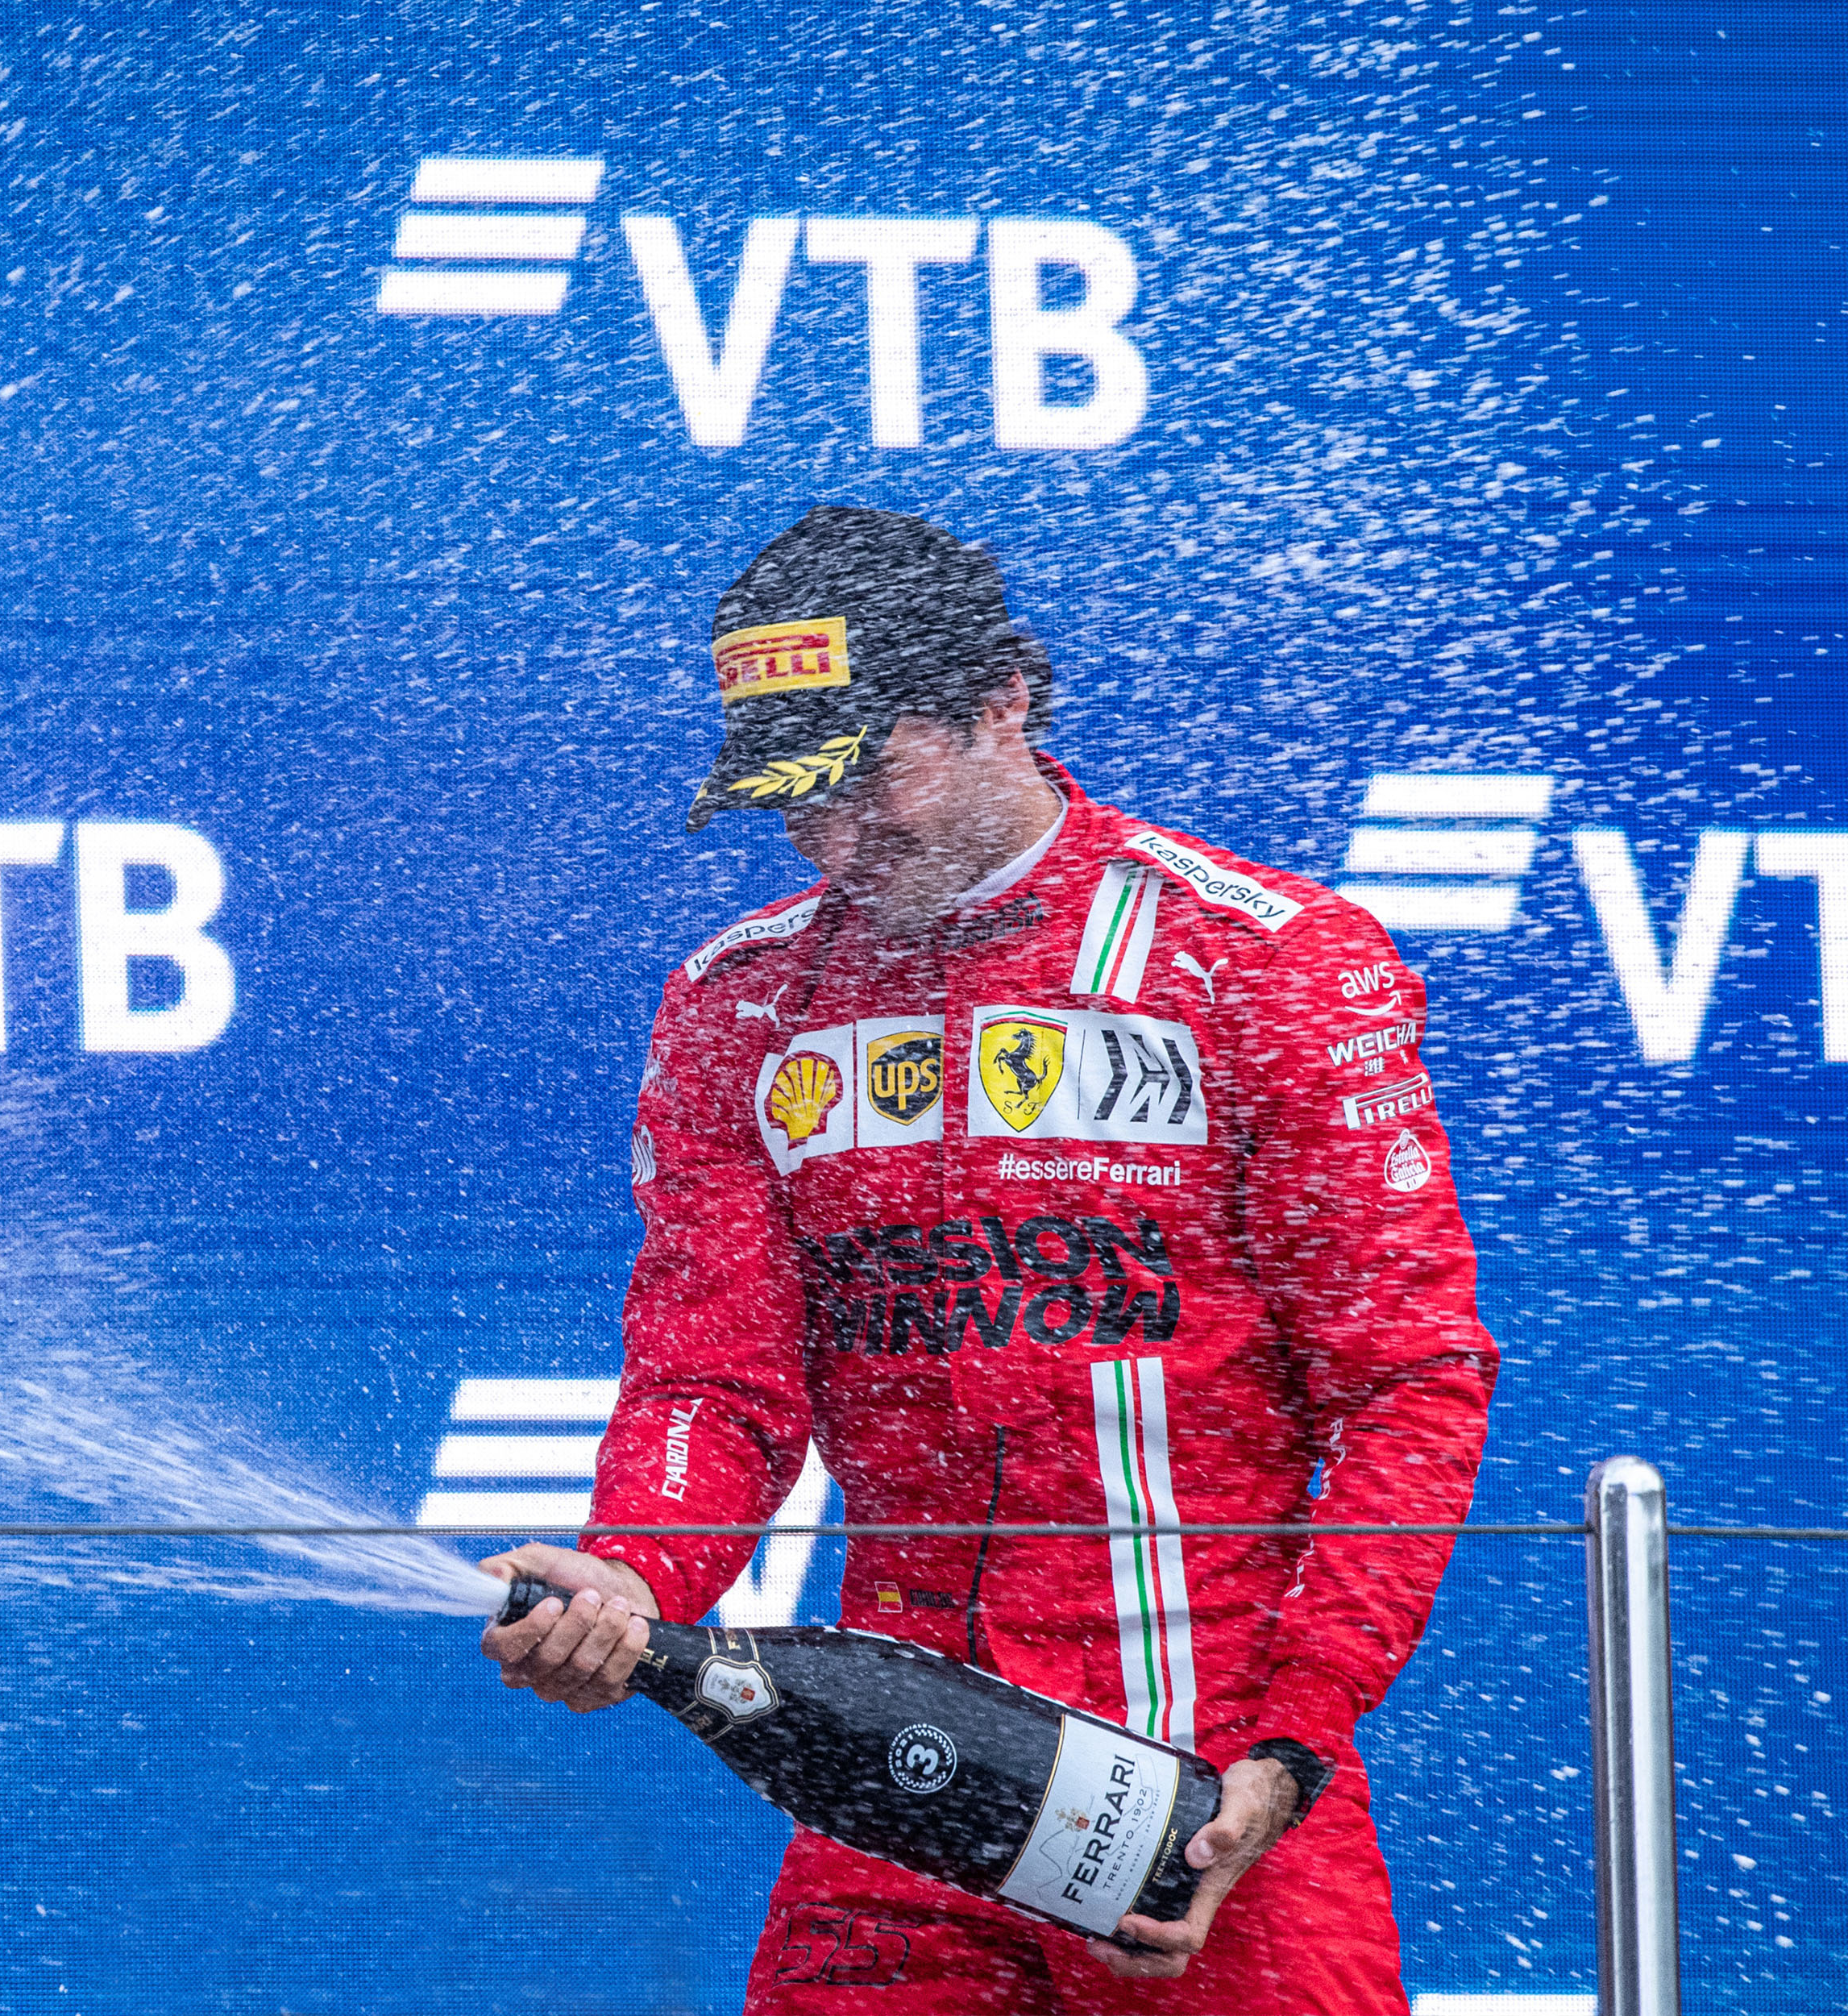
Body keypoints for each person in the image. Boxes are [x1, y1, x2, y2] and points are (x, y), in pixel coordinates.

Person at [480, 507, 1498, 2015]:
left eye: (864, 780)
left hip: (1214, 1793)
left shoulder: (1264, 960)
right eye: (792, 805)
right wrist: (637, 1573)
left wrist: (1295, 1739)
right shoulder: (740, 1003)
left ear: (1002, 703)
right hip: (891, 1775)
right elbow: (714, 1377)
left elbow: (1407, 1383)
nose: (835, 842)